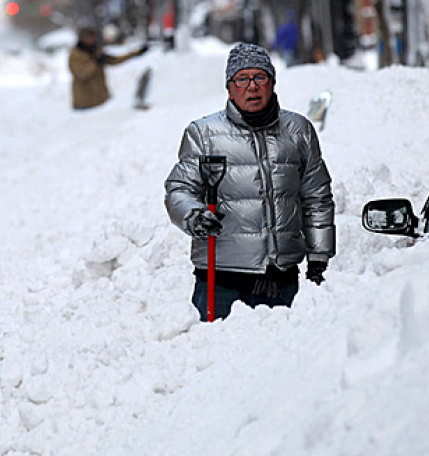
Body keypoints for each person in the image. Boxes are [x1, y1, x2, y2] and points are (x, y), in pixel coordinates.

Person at [164, 43, 335, 321]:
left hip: (280, 276)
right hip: (220, 277)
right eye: (242, 79)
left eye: (260, 77)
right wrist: (194, 216)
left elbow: (316, 196)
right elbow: (179, 190)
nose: (252, 86)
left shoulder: (298, 130)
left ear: (272, 83)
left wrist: (319, 255)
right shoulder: (203, 133)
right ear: (230, 88)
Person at [69, 27, 147, 110]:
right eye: (89, 38)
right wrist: (96, 63)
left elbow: (114, 60)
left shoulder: (95, 50)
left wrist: (136, 53)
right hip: (84, 103)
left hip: (101, 100)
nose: (92, 40)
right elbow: (81, 74)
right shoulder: (76, 55)